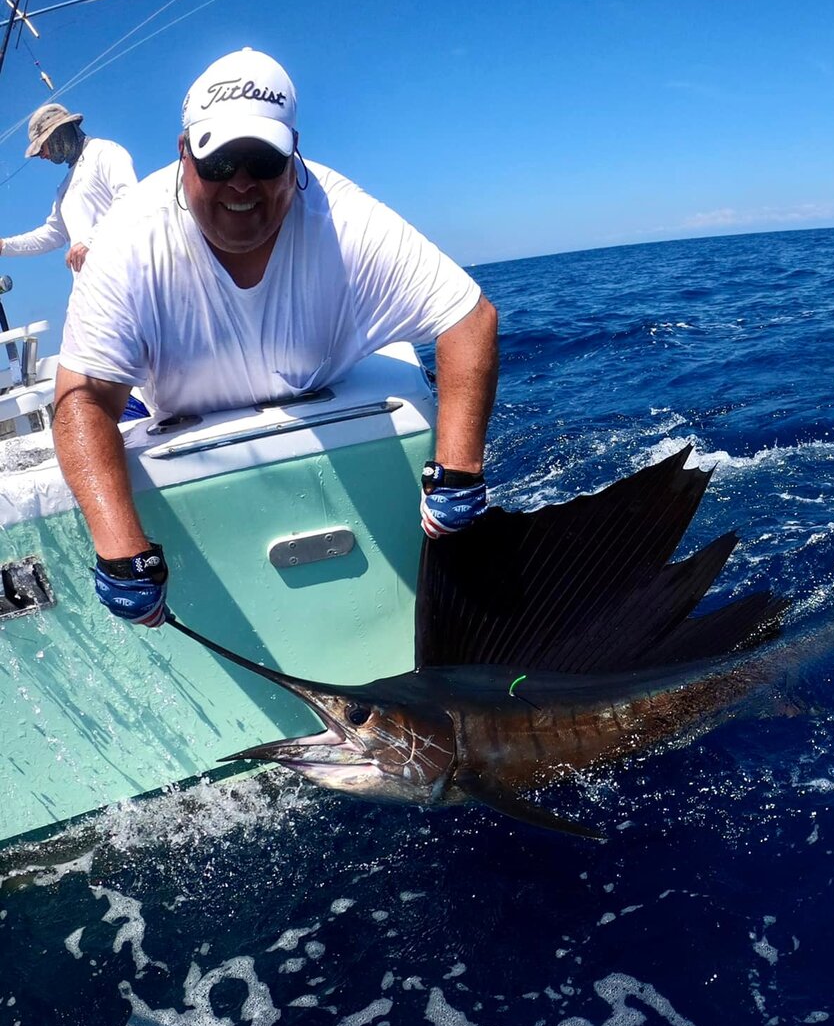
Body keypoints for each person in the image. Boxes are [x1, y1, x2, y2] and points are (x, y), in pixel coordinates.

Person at [53, 47, 499, 627]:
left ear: (294, 158)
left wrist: (458, 473)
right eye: (218, 162)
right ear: (184, 153)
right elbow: (82, 401)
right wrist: (120, 550)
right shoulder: (128, 239)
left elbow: (469, 318)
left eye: (263, 161)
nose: (241, 183)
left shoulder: (344, 218)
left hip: (320, 393)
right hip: (177, 411)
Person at [0, 103, 137, 273]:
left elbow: (129, 198)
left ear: (58, 133)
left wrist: (90, 241)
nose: (41, 156)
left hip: (124, 273)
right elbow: (53, 233)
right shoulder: (63, 188)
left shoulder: (104, 151)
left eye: (41, 147)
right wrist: (4, 246)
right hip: (90, 284)